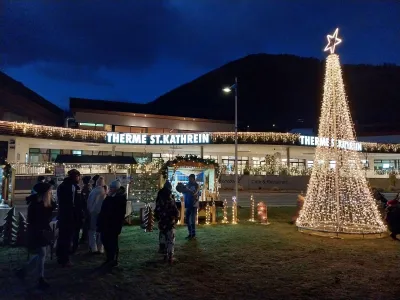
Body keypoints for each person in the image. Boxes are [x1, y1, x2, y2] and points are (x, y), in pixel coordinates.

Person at [17, 182, 56, 289]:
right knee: (42, 253)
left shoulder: (43, 202)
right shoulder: (35, 205)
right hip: (38, 231)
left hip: (41, 230)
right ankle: (40, 278)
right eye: (49, 191)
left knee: (42, 254)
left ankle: (24, 271)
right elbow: (36, 220)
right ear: (44, 193)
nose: (51, 193)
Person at [97, 180, 127, 269]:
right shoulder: (112, 197)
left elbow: (117, 213)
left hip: (112, 225)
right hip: (107, 224)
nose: (110, 189)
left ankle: (113, 260)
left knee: (112, 242)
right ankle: (110, 258)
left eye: (112, 188)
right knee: (106, 241)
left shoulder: (118, 198)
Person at [56, 169, 82, 267]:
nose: (79, 179)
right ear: (75, 176)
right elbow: (74, 203)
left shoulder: (62, 186)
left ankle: (60, 256)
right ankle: (64, 259)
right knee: (67, 238)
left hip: (63, 215)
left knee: (62, 237)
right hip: (69, 217)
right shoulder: (73, 187)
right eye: (78, 176)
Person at [155, 181, 180, 264]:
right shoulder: (170, 198)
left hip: (162, 222)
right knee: (170, 239)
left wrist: (159, 218)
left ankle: (165, 255)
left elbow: (157, 210)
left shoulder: (159, 197)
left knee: (164, 238)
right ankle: (170, 257)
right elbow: (175, 210)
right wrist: (176, 216)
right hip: (169, 221)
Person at [87, 176, 106, 253]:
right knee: (101, 230)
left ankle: (93, 247)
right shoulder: (104, 192)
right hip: (102, 213)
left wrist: (90, 210)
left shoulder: (93, 191)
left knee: (92, 230)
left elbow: (89, 202)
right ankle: (101, 247)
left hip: (94, 212)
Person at [184, 174, 199, 240]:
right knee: (187, 219)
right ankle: (190, 233)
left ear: (193, 178)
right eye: (189, 179)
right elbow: (184, 192)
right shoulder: (188, 184)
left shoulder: (196, 185)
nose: (189, 180)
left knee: (192, 220)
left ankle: (193, 234)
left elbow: (195, 193)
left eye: (190, 178)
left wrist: (188, 190)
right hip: (188, 203)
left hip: (194, 204)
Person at [80, 176, 92, 244]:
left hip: (86, 209)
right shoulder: (86, 188)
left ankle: (85, 237)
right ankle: (85, 237)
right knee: (86, 223)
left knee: (86, 223)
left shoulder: (86, 188)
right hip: (86, 209)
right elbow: (86, 199)